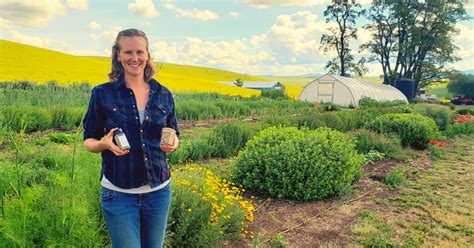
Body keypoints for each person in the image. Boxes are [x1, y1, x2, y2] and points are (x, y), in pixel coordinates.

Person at [83, 28, 179, 248]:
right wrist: (102, 144)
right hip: (119, 195)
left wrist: (174, 142)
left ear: (147, 55)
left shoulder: (164, 94)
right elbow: (88, 139)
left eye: (139, 52)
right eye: (128, 52)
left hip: (159, 191)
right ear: (118, 54)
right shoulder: (102, 94)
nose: (134, 58)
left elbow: (174, 131)